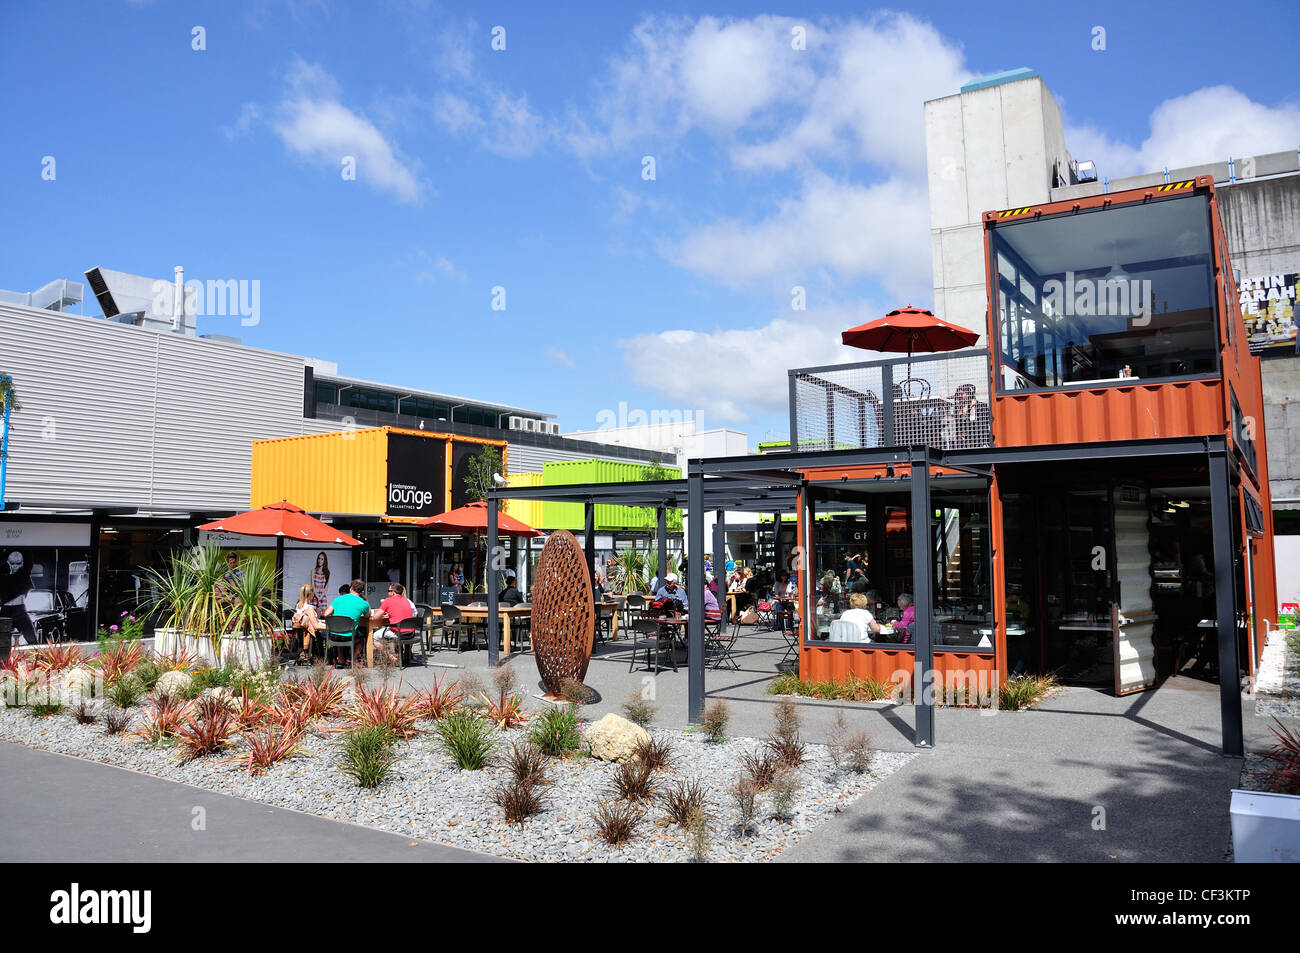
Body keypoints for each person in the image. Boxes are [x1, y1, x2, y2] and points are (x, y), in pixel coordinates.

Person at [323, 579, 371, 665]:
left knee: (339, 630)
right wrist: (366, 601)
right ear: (361, 591)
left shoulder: (338, 599)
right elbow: (368, 616)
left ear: (351, 588)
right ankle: (354, 659)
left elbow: (326, 614)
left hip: (333, 635)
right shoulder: (363, 603)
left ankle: (341, 658)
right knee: (362, 633)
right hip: (349, 636)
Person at [0, 550, 35, 645]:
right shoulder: (2, 577)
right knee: (2, 642)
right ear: (8, 563)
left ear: (22, 563)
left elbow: (29, 560)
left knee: (32, 639)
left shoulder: (24, 574)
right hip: (5, 611)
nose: (15, 566)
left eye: (18, 563)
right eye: (13, 563)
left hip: (19, 610)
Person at [292, 583, 327, 657]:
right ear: (311, 594)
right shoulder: (309, 608)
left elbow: (309, 620)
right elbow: (316, 626)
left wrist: (322, 621)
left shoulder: (298, 606)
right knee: (334, 633)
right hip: (312, 633)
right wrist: (330, 627)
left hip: (302, 632)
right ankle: (327, 657)